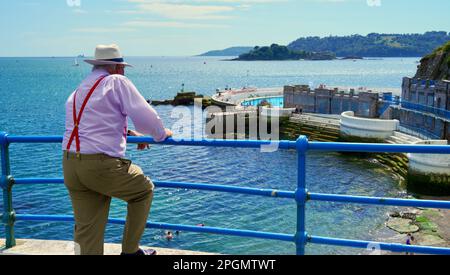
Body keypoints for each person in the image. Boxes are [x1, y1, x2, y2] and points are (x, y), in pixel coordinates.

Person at [62, 44, 173, 255]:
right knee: (143, 191)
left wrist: (128, 133)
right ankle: (130, 252)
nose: (123, 71)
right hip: (99, 166)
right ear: (115, 67)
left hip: (71, 164)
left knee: (88, 229)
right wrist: (161, 133)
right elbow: (145, 115)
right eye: (122, 67)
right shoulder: (116, 81)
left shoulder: (80, 89)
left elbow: (91, 124)